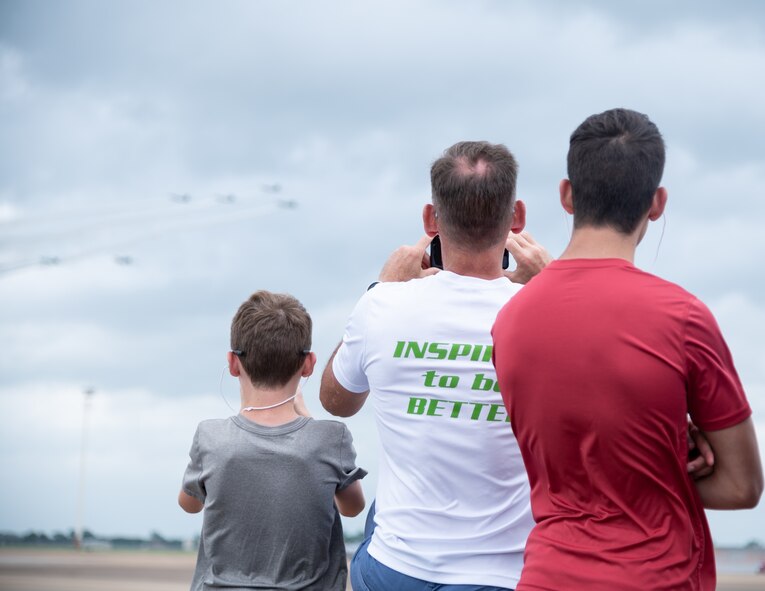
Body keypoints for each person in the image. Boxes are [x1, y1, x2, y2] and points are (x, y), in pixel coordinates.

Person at [492, 108, 763, 591]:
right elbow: (742, 486)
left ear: (567, 195)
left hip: (546, 576)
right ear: (657, 203)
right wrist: (661, 460)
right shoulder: (683, 317)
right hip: (655, 575)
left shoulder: (510, 321)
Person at [320, 141, 552, 590]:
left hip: (397, 567)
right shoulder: (548, 313)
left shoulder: (383, 304)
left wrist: (379, 288)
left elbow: (336, 400)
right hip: (502, 575)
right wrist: (554, 284)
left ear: (431, 220)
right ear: (517, 217)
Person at [179, 290, 367, 591]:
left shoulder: (211, 438)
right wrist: (307, 416)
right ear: (308, 365)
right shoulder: (331, 439)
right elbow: (353, 507)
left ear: (232, 363)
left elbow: (189, 504)